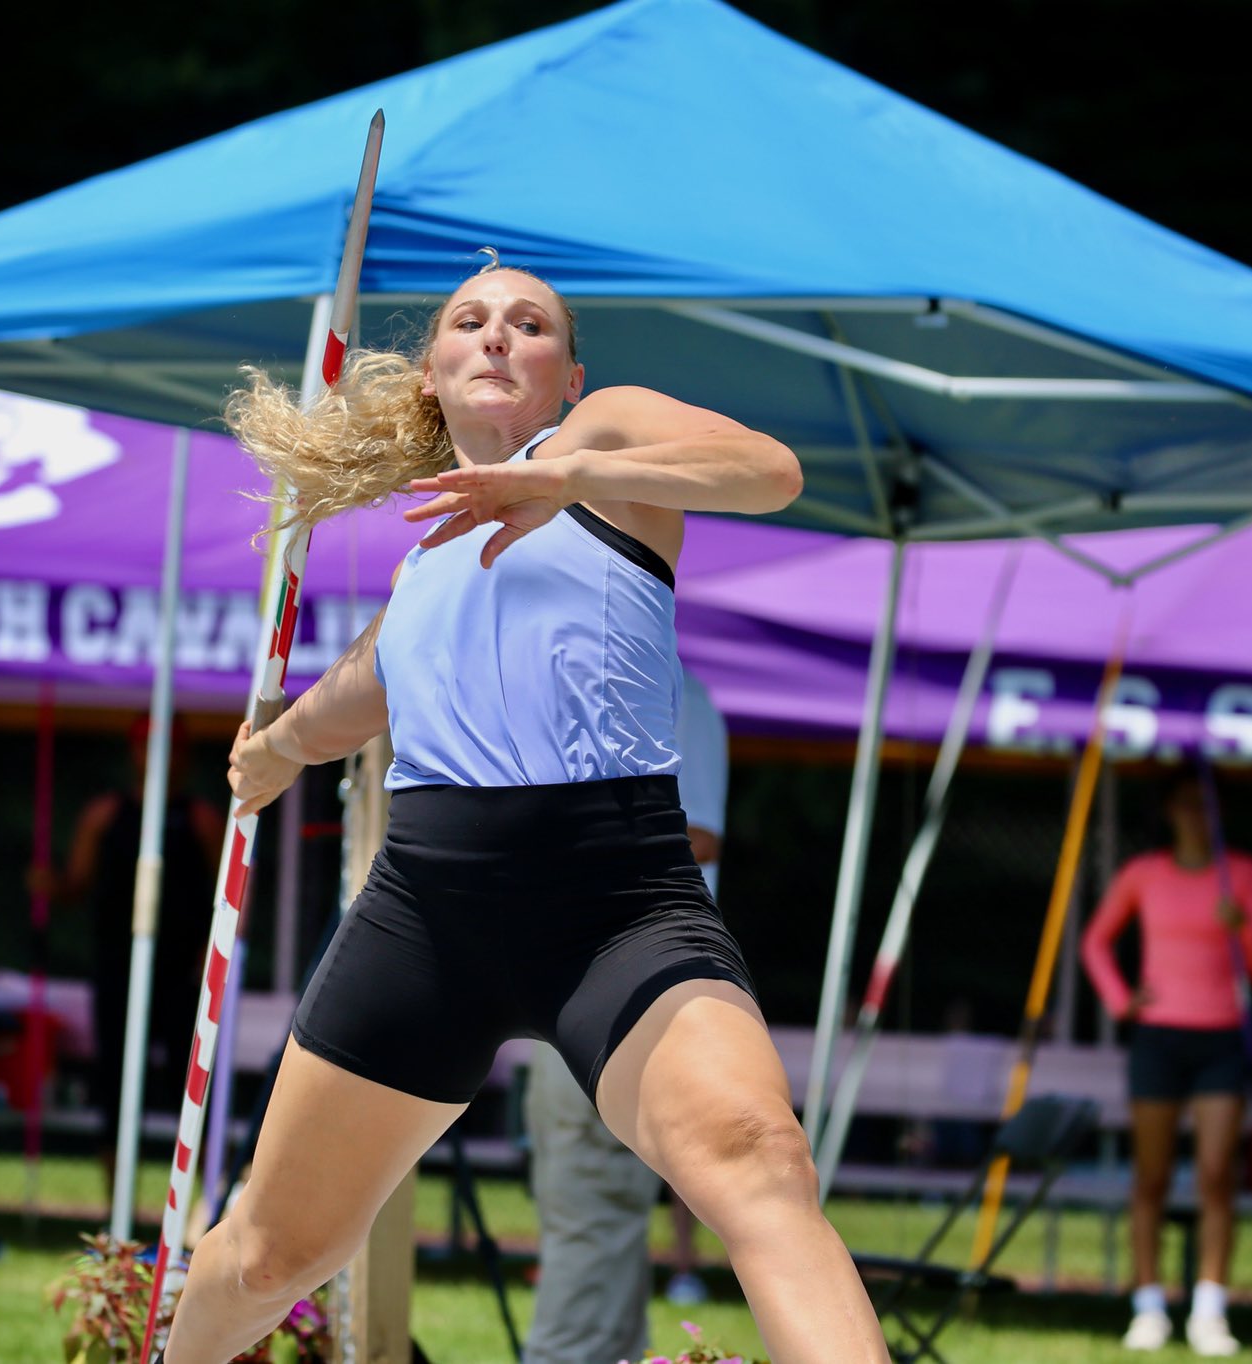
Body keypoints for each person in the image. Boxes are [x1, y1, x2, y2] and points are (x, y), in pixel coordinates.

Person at [154, 258, 887, 1364]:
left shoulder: (609, 437)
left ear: (564, 371)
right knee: (269, 1252)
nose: (498, 334)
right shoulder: (424, 565)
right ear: (434, 379)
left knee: (759, 1158)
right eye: (470, 320)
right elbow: (366, 682)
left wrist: (571, 473)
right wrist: (273, 753)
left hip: (617, 903)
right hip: (427, 919)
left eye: (528, 323)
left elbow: (768, 471)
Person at [522, 663, 728, 1364]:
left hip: (617, 982)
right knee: (584, 1204)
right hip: (592, 980)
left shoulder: (665, 691)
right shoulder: (621, 685)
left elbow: (695, 834)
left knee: (590, 1201)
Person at [1079, 773, 1252, 1357]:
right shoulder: (1145, 873)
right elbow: (1095, 942)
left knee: (1217, 1173)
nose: (1198, 815)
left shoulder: (1243, 874)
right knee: (1152, 1176)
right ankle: (1148, 1306)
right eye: (1188, 804)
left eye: (1207, 805)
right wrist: (1122, 1001)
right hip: (1159, 1037)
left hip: (1221, 1038)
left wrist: (1241, 928)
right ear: (1170, 810)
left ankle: (1210, 1309)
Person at [33, 716, 220, 1198]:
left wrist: (210, 955)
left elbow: (233, 890)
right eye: (149, 747)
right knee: (115, 1084)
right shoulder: (105, 815)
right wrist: (46, 886)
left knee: (191, 1084)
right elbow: (77, 884)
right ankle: (116, 1204)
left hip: (182, 974)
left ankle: (198, 1209)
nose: (160, 758)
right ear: (134, 753)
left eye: (172, 748)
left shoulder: (199, 819)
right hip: (117, 968)